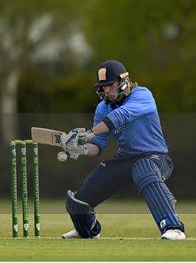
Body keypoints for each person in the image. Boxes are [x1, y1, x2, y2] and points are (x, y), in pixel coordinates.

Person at [59, 60, 186, 240]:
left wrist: (86, 134)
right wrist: (81, 148)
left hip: (156, 157)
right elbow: (97, 146)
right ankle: (87, 230)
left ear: (123, 81)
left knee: (145, 169)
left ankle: (173, 228)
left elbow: (121, 116)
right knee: (78, 201)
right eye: (102, 87)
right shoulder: (102, 108)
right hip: (125, 158)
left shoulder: (143, 95)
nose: (107, 91)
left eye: (110, 85)